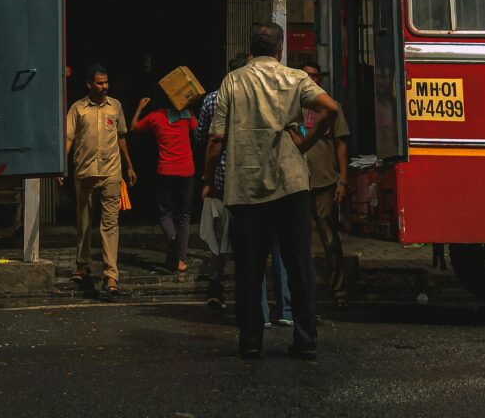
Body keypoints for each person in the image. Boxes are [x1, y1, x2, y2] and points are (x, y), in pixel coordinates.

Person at [204, 22, 338, 360]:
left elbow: (216, 140)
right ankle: (306, 341)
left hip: (246, 187)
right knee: (299, 265)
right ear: (279, 50)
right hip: (291, 184)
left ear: (252, 48)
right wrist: (306, 144)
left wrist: (210, 180)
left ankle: (250, 341)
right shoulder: (294, 77)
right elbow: (330, 108)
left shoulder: (232, 81)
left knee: (250, 268)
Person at [66, 64, 136, 295]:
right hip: (85, 173)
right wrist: (60, 168)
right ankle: (82, 265)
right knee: (84, 224)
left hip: (111, 173)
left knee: (110, 225)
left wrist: (129, 165)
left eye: (106, 83)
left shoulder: (115, 106)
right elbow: (69, 138)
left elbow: (121, 137)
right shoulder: (78, 109)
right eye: (100, 83)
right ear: (89, 84)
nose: (105, 87)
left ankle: (111, 275)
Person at [195, 52, 249, 309]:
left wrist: (207, 178)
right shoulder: (253, 98)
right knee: (246, 240)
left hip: (218, 181)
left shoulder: (212, 99)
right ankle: (245, 291)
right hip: (248, 181)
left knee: (217, 241)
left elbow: (203, 137)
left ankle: (215, 286)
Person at [131, 86, 197, 274]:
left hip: (165, 171)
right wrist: (190, 109)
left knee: (165, 213)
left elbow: (133, 127)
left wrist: (139, 107)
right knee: (184, 216)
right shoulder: (185, 115)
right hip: (186, 171)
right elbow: (198, 131)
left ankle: (173, 242)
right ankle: (181, 259)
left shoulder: (155, 117)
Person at [302, 63, 350, 305]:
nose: (311, 79)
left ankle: (339, 290)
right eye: (306, 76)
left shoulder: (331, 106)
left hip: (325, 180)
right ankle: (304, 290)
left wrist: (343, 180)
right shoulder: (293, 106)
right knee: (300, 238)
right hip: (298, 182)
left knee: (329, 238)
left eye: (315, 76)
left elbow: (341, 145)